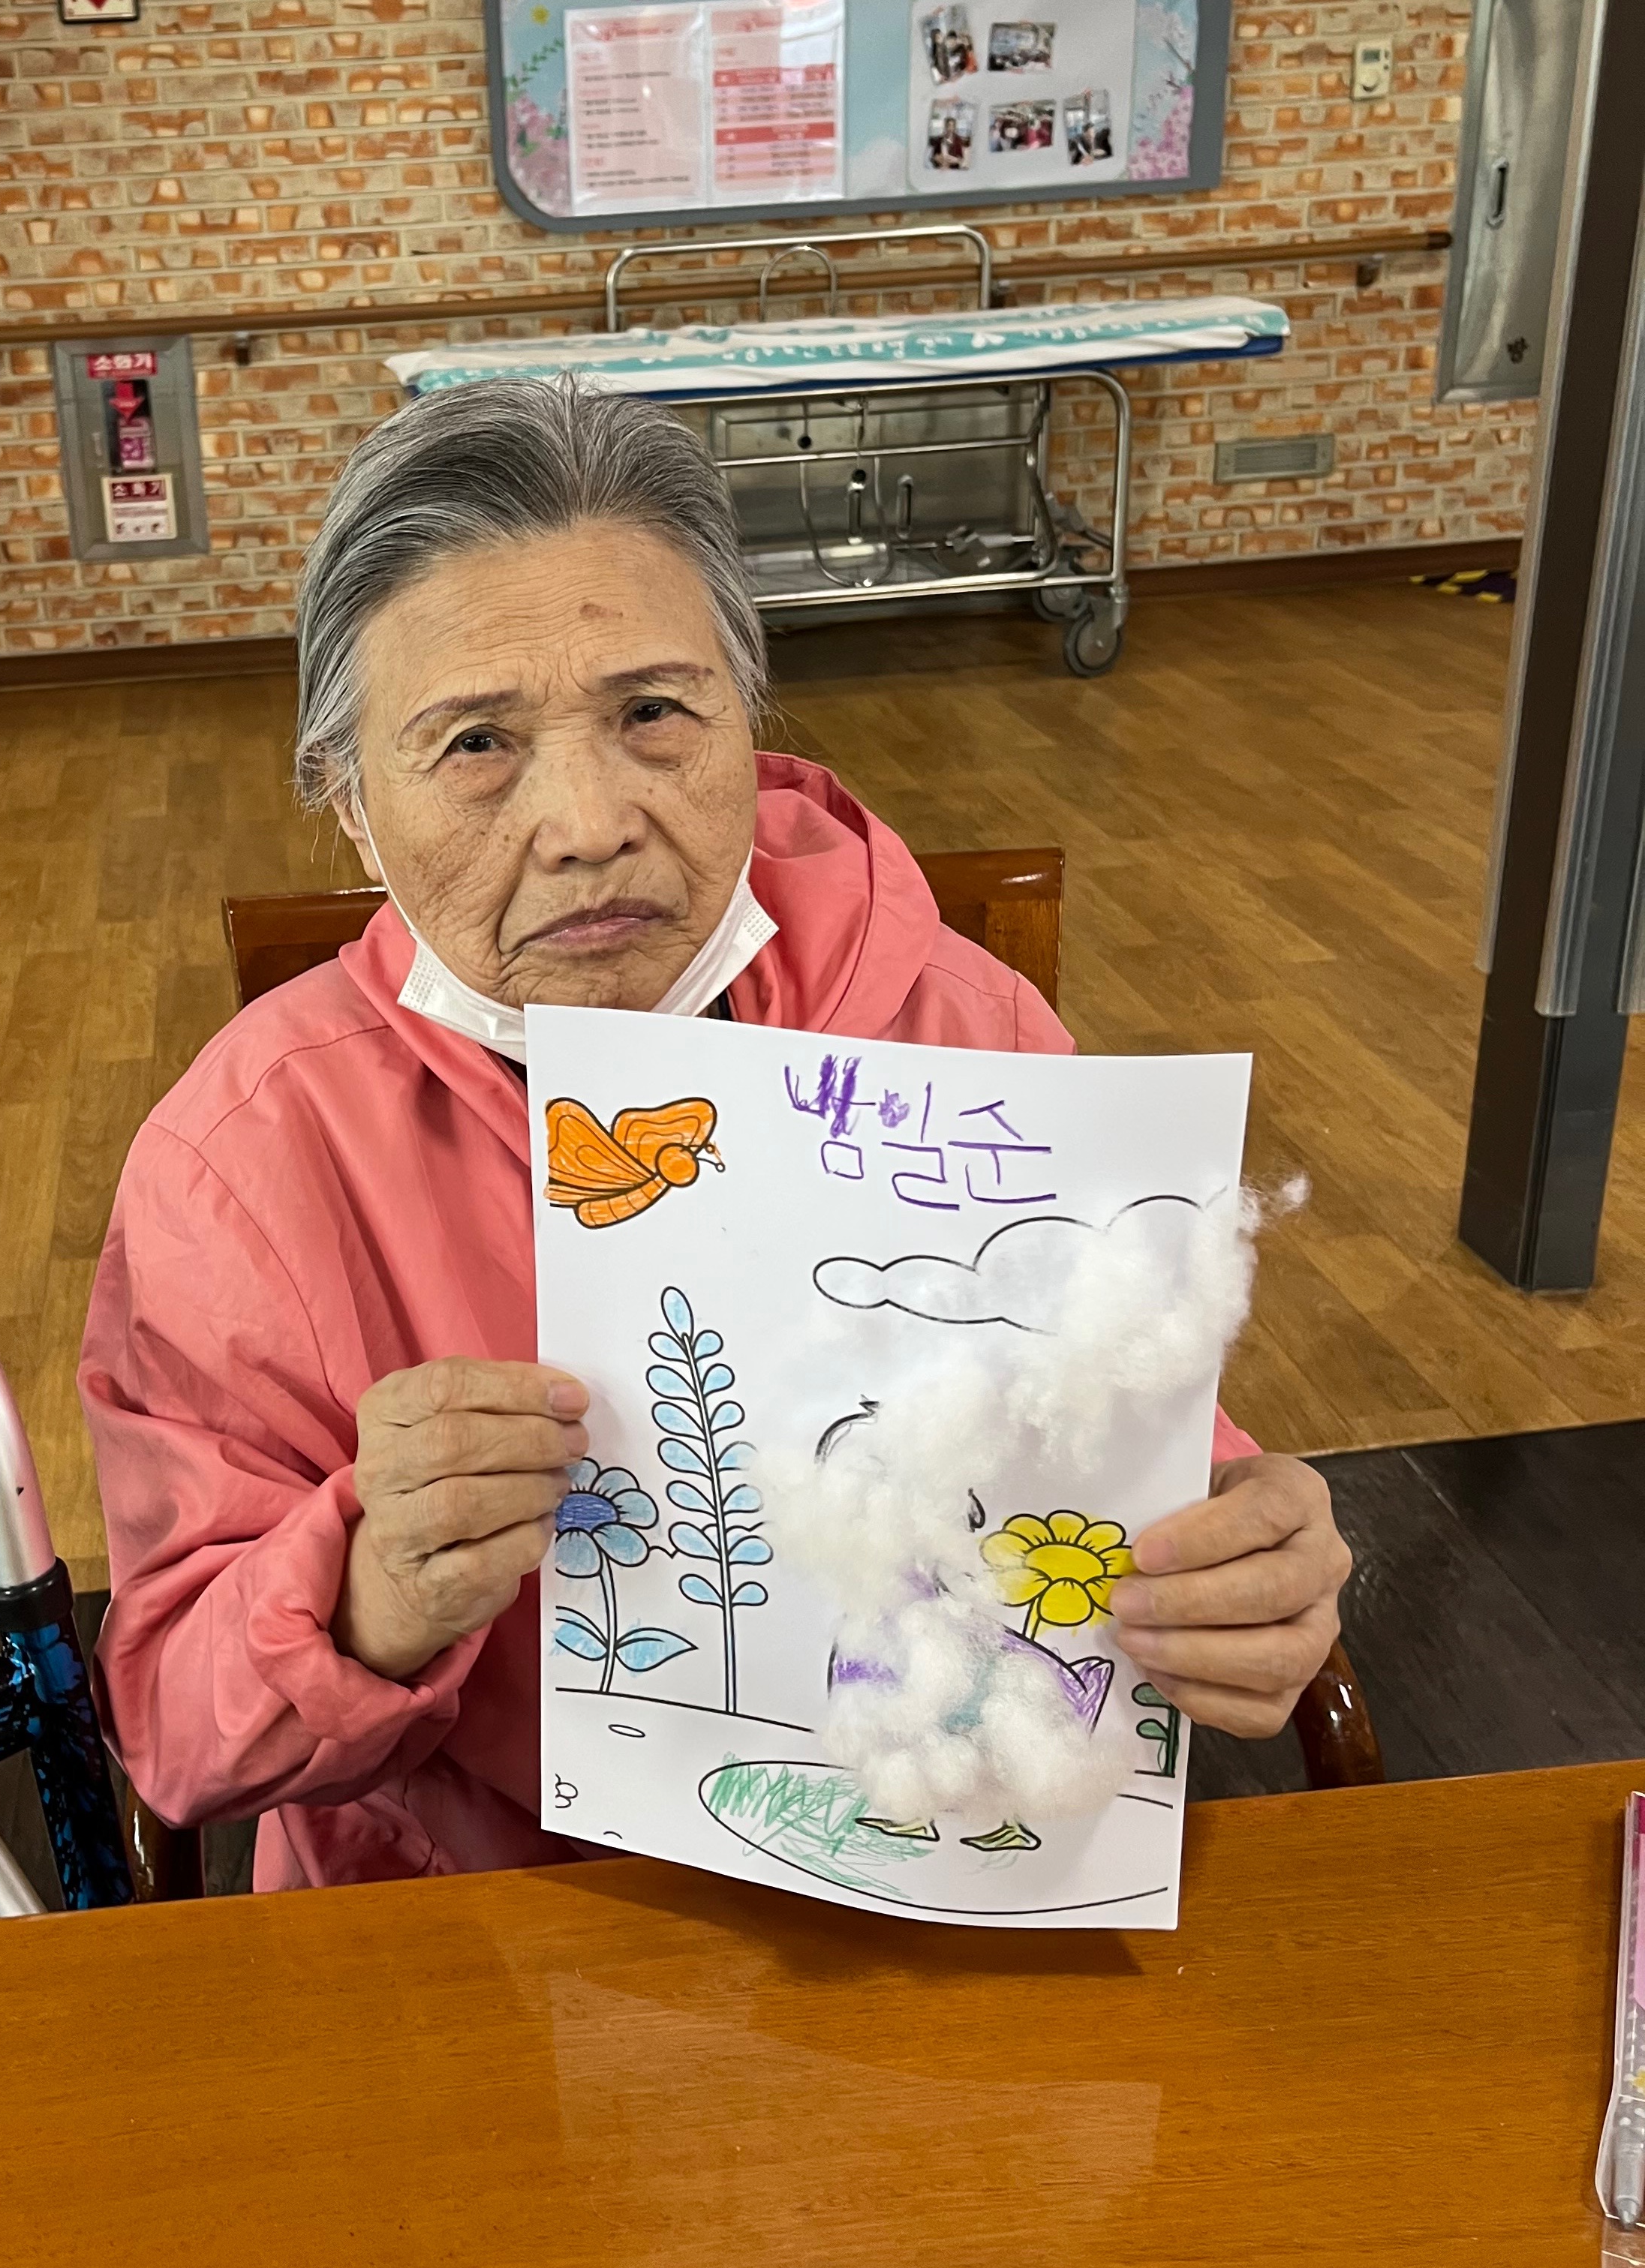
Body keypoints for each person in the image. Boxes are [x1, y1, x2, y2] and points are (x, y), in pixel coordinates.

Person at [79, 378, 1352, 1891]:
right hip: (488, 1921)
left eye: (654, 714)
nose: (588, 823)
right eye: (476, 743)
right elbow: (178, 1738)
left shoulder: (962, 1024)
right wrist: (360, 1590)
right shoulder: (245, 1162)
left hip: (952, 1872)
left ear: (746, 720)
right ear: (351, 804)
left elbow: (1124, 1449)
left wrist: (1241, 1558)